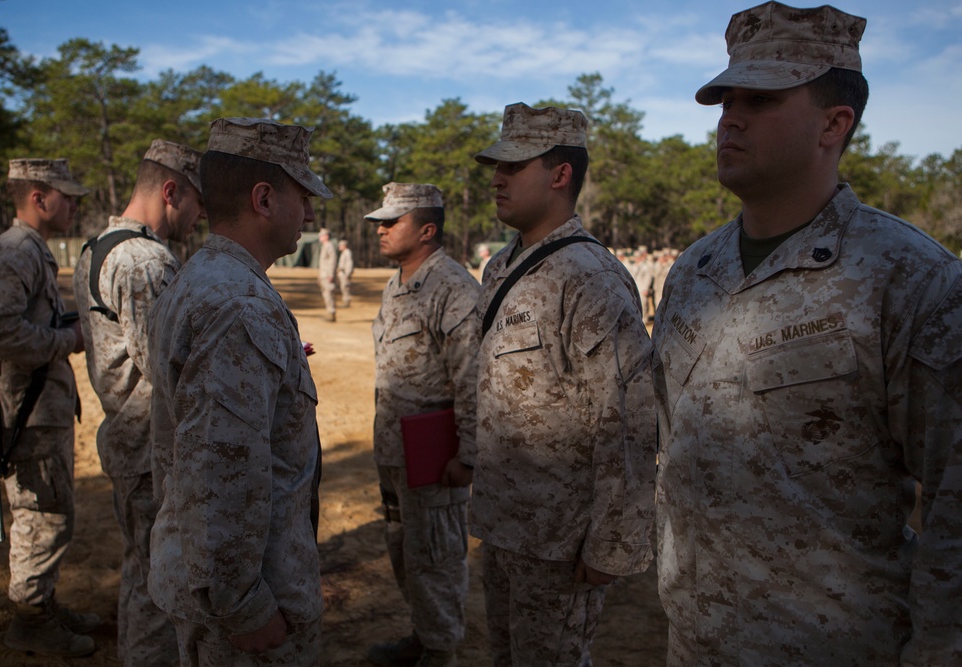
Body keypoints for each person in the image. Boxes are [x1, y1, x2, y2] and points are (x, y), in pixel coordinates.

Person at [651, 3, 962, 665]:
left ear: (834, 123)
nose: (730, 117)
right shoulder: (692, 272)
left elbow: (954, 500)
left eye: (760, 99)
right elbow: (674, 449)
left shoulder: (910, 277)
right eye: (726, 98)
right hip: (694, 638)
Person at [470, 103, 657, 665]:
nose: (497, 178)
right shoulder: (500, 267)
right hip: (505, 520)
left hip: (559, 536)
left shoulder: (591, 276)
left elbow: (627, 413)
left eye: (515, 165)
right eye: (495, 165)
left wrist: (612, 541)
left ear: (560, 175)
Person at [147, 118, 331, 666]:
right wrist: (242, 605)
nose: (312, 213)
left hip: (213, 578)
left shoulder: (200, 279)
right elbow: (221, 468)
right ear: (265, 199)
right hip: (246, 603)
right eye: (303, 196)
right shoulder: (237, 306)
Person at [72, 139, 204, 666]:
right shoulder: (145, 259)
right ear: (170, 191)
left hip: (128, 440)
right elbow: (168, 365)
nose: (201, 217)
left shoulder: (98, 246)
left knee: (141, 570)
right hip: (152, 448)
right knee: (162, 585)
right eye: (197, 202)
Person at [0, 158, 98, 657]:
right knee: (41, 515)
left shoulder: (30, 250)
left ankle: (40, 602)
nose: (74, 205)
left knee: (50, 511)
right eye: (66, 196)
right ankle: (29, 617)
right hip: (23, 408)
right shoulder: (16, 251)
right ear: (38, 198)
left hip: (36, 405)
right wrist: (65, 339)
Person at [365, 183, 480, 667]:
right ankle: (424, 634)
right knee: (405, 550)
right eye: (379, 222)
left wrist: (468, 454)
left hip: (435, 454)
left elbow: (474, 375)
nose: (381, 230)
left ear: (428, 230)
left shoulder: (453, 288)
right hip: (395, 450)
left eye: (393, 221)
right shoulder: (397, 283)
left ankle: (441, 650)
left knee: (435, 554)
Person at [317, 227, 338, 321]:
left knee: (329, 294)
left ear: (326, 236)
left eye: (321, 235)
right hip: (324, 275)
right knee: (326, 294)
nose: (319, 237)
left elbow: (332, 261)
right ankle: (330, 312)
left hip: (328, 275)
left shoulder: (329, 246)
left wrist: (331, 274)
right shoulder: (324, 246)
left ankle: (331, 313)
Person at [337, 238, 354, 307]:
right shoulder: (343, 253)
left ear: (344, 246)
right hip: (342, 273)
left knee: (345, 287)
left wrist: (348, 273)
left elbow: (349, 263)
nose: (339, 247)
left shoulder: (347, 252)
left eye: (340, 246)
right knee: (343, 287)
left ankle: (346, 302)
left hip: (345, 273)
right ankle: (345, 301)